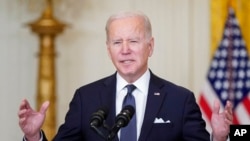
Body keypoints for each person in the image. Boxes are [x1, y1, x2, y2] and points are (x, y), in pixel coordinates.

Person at [18, 11, 233, 141]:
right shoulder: (86, 99)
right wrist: (34, 136)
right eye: (117, 42)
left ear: (150, 46)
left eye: (133, 41)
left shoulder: (180, 100)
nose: (125, 49)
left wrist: (221, 137)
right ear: (108, 48)